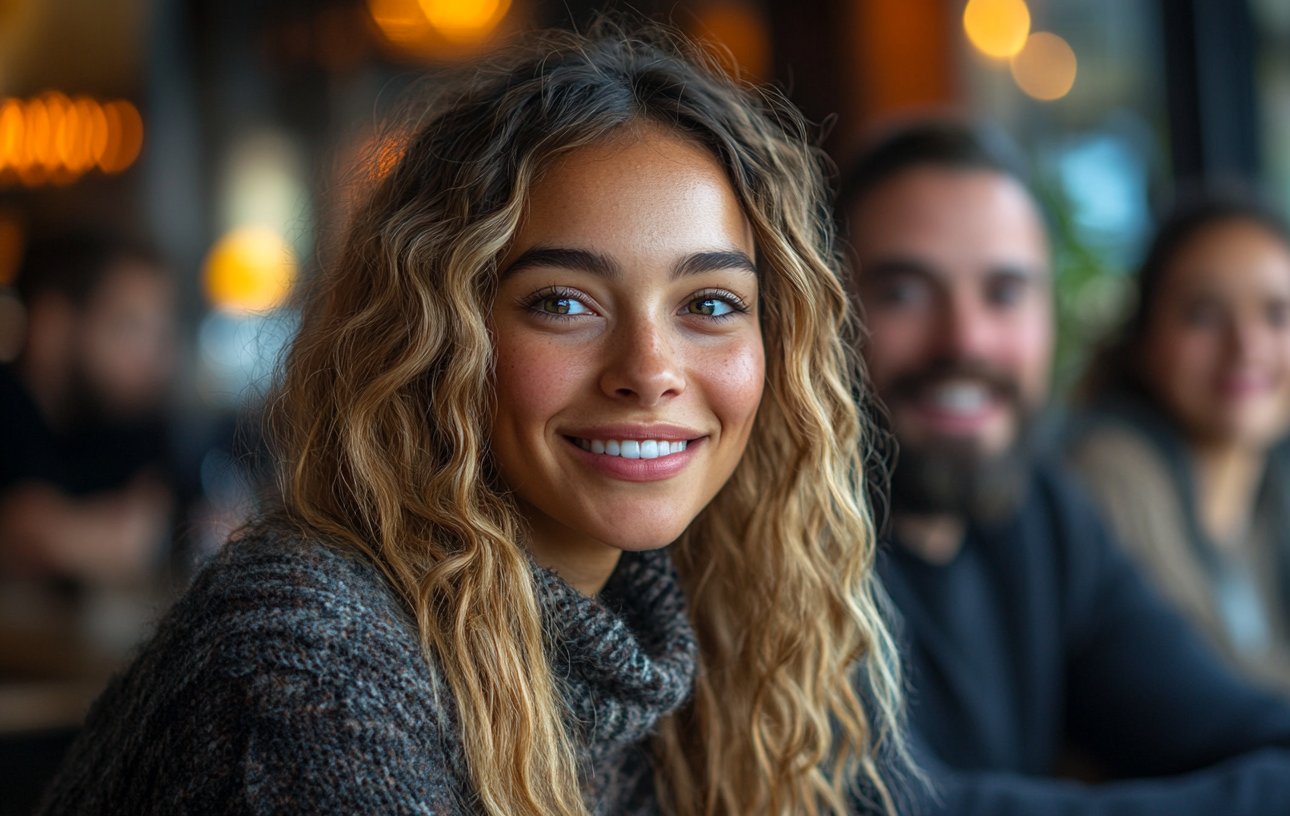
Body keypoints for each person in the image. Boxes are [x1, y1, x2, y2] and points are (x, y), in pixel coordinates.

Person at [40, 28, 905, 815]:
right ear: (437, 339)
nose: (649, 372)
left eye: (710, 303)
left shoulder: (667, 632)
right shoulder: (314, 675)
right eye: (564, 302)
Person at [841, 120, 1290, 814]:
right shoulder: (780, 545)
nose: (964, 339)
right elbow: (886, 807)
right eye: (905, 292)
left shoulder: (1044, 514)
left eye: (1005, 293)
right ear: (823, 310)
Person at [1066, 194, 1290, 724]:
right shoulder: (1110, 469)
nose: (1247, 345)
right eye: (1204, 314)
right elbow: (1204, 683)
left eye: (1278, 314)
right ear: (1145, 339)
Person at [0, 231, 176, 585]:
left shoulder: (127, 422)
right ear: (52, 325)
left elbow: (150, 526)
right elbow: (28, 539)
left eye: (159, 333)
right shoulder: (9, 406)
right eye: (128, 327)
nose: (154, 359)